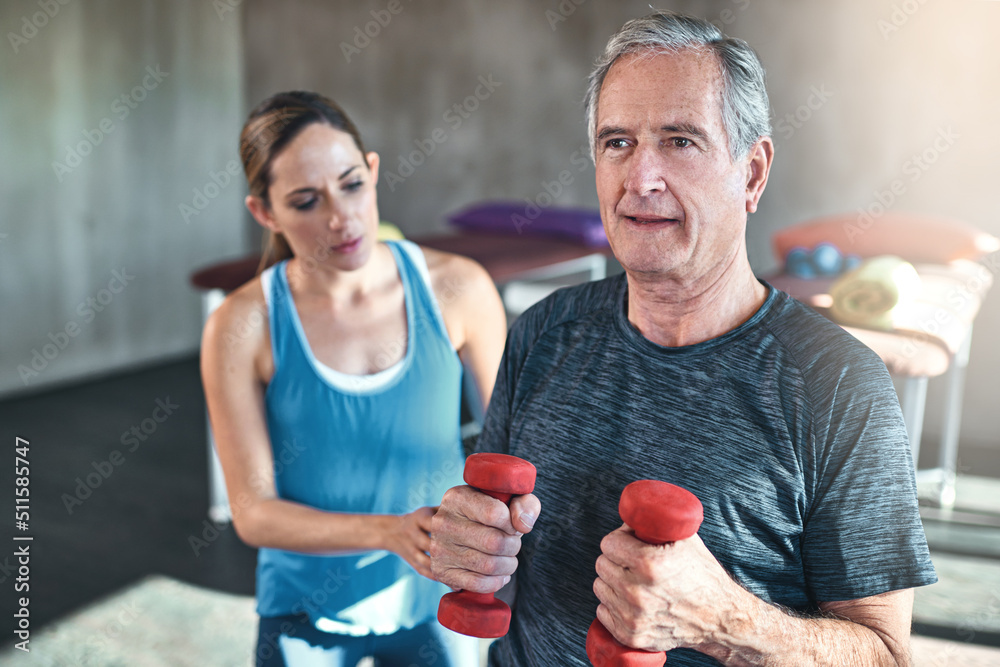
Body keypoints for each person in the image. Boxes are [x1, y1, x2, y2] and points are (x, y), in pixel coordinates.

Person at [429, 12, 936, 667]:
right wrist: (473, 549)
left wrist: (723, 619)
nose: (641, 179)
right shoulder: (542, 332)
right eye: (618, 142)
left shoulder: (837, 383)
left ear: (752, 173)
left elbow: (886, 655)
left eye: (679, 141)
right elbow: (506, 569)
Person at [200, 91, 507, 666]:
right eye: (306, 201)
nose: (340, 219)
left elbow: (517, 454)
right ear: (265, 213)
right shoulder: (240, 325)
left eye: (350, 184)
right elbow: (254, 512)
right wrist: (388, 531)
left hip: (443, 601)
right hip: (302, 613)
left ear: (372, 171)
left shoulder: (459, 287)